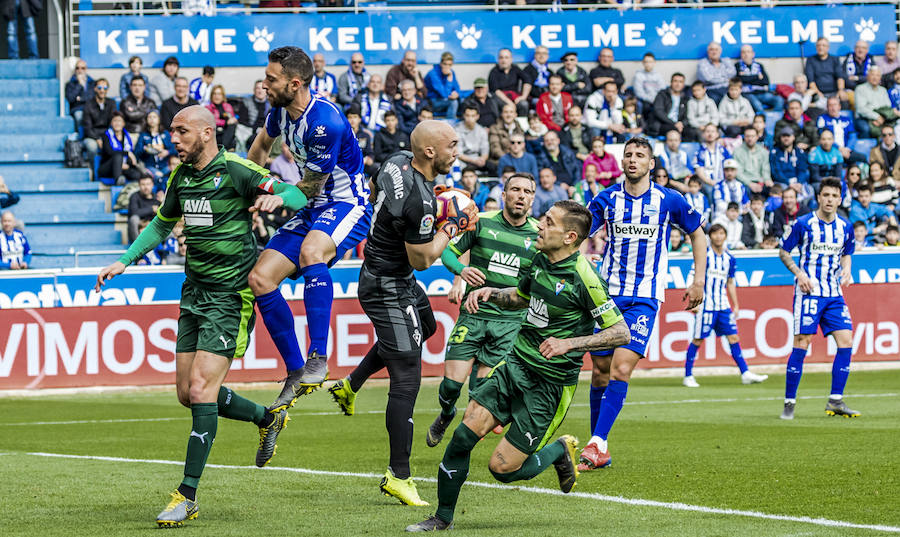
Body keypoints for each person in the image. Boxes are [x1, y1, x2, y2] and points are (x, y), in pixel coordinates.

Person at [95, 105, 304, 527]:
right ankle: (268, 418)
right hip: (194, 293)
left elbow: (299, 194)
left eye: (181, 131)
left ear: (207, 133)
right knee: (187, 395)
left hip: (230, 296)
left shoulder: (237, 170)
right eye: (172, 131)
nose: (173, 138)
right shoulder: (181, 177)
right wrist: (124, 261)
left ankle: (186, 494)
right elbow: (160, 224)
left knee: (201, 389)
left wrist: (277, 195)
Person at [405, 200, 629, 533]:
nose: (540, 224)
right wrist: (492, 293)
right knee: (463, 436)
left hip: (550, 386)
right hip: (515, 365)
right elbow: (523, 296)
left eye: (549, 222)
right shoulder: (539, 258)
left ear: (569, 236)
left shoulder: (585, 277)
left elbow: (620, 331)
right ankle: (442, 517)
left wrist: (569, 343)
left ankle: (556, 452)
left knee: (502, 469)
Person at [328, 120, 477, 507]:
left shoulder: (396, 160)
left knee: (425, 327)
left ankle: (350, 385)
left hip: (391, 276)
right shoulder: (421, 202)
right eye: (452, 145)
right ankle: (399, 475)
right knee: (407, 374)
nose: (456, 151)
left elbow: (380, 190)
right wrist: (454, 225)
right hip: (388, 285)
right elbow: (424, 257)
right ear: (429, 152)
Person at [247, 47, 372, 411]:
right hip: (312, 205)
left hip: (346, 203)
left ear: (295, 83)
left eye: (271, 79)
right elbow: (258, 150)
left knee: (311, 252)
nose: (264, 84)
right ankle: (295, 370)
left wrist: (276, 195)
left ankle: (319, 356)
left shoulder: (325, 122)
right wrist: (252, 186)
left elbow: (308, 189)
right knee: (260, 279)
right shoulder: (279, 113)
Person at [581, 137, 707, 471]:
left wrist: (698, 280)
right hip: (606, 296)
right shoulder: (607, 199)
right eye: (628, 155)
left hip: (645, 297)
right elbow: (580, 235)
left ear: (651, 163)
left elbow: (698, 233)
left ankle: (596, 443)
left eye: (640, 155)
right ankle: (600, 446)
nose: (632, 159)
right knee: (599, 372)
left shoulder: (669, 200)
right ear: (622, 163)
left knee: (622, 367)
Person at [427, 173, 539, 446]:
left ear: (533, 199)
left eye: (526, 191)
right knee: (451, 386)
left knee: (482, 391)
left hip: (511, 323)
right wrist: (462, 271)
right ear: (504, 195)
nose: (520, 195)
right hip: (474, 314)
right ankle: (445, 413)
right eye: (515, 189)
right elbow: (447, 252)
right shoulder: (482, 223)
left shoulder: (539, 235)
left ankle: (459, 444)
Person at [778, 178, 859, 420]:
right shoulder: (804, 224)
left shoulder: (845, 226)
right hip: (809, 293)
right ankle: (789, 403)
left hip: (834, 294)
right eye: (826, 195)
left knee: (846, 341)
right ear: (819, 198)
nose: (830, 200)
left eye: (834, 196)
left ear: (840, 199)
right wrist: (799, 273)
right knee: (802, 342)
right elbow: (783, 251)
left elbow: (847, 253)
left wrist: (847, 269)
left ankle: (835, 400)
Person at [683, 223, 768, 387]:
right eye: (715, 233)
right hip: (706, 304)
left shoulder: (730, 259)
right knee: (698, 339)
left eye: (721, 233)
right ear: (710, 237)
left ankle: (745, 373)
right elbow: (693, 275)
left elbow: (730, 283)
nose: (718, 237)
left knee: (734, 337)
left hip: (722, 304)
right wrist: (693, 301)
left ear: (725, 236)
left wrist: (735, 304)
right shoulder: (705, 256)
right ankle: (688, 375)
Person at [816, 96, 865, 166]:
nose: (833, 108)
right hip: (830, 150)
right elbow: (823, 138)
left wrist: (847, 149)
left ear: (839, 106)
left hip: (847, 150)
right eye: (830, 105)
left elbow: (853, 136)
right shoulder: (822, 119)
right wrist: (839, 149)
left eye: (835, 105)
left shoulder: (847, 119)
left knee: (863, 158)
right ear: (827, 107)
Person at [736, 45, 783, 114]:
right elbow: (741, 80)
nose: (746, 54)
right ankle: (761, 123)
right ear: (741, 55)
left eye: (748, 52)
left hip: (762, 93)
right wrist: (757, 77)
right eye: (743, 52)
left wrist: (748, 78)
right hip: (748, 94)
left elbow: (766, 81)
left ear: (753, 54)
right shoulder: (737, 66)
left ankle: (774, 120)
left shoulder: (759, 65)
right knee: (758, 106)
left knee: (779, 100)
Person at [770, 127, 812, 205]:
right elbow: (776, 172)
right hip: (782, 182)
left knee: (810, 191)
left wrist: (799, 183)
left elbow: (802, 169)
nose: (786, 138)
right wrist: (789, 183)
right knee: (781, 191)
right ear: (780, 138)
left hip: (798, 182)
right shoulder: (775, 152)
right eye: (784, 136)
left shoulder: (799, 152)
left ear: (793, 137)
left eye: (788, 136)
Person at [136, 110, 176, 187]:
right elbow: (137, 152)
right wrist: (145, 149)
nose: (152, 119)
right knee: (159, 177)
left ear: (159, 119)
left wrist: (167, 152)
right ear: (146, 120)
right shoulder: (143, 135)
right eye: (149, 117)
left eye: (154, 117)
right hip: (150, 166)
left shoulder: (165, 134)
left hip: (165, 166)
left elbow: (175, 149)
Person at [99, 112, 142, 184]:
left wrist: (128, 165)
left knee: (137, 175)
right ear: (111, 123)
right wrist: (127, 153)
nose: (117, 123)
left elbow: (132, 158)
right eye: (115, 121)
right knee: (118, 156)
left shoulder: (127, 136)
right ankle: (118, 180)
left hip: (124, 167)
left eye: (119, 121)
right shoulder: (106, 135)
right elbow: (109, 152)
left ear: (123, 123)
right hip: (107, 167)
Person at [805, 37, 849, 106]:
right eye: (818, 45)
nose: (821, 48)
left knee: (844, 100)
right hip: (818, 92)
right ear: (816, 47)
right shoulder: (810, 60)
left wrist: (841, 90)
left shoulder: (835, 59)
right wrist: (819, 94)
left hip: (834, 92)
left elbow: (840, 77)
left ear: (828, 47)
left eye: (823, 45)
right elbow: (811, 81)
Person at [488, 48, 532, 116]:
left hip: (515, 98)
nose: (504, 60)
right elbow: (496, 91)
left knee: (524, 104)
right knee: (493, 101)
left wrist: (523, 96)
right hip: (501, 99)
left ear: (511, 59)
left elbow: (528, 80)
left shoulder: (515, 69)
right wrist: (510, 104)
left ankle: (522, 124)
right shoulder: (494, 72)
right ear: (498, 59)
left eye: (506, 57)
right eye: (501, 58)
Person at [82, 77, 115, 165]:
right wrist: (97, 139)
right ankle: (92, 169)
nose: (102, 91)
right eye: (99, 88)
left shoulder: (111, 103)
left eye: (105, 88)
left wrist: (104, 138)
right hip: (92, 136)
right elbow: (87, 127)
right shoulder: (88, 104)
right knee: (92, 147)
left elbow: (113, 123)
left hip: (106, 135)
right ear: (95, 89)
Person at [854, 66, 892, 140]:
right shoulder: (860, 89)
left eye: (877, 75)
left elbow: (888, 106)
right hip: (864, 118)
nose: (875, 77)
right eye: (872, 75)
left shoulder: (883, 90)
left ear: (880, 78)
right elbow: (861, 109)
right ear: (867, 76)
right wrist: (876, 117)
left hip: (882, 118)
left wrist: (882, 119)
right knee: (866, 128)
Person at [647, 73, 688, 138]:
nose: (678, 84)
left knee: (692, 132)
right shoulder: (662, 94)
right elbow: (658, 111)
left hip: (678, 125)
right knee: (675, 130)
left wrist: (681, 123)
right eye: (675, 81)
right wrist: (674, 123)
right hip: (662, 124)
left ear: (683, 85)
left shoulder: (685, 98)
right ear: (671, 82)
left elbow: (687, 116)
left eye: (680, 82)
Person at [733, 126, 771, 194]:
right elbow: (738, 173)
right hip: (745, 182)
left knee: (773, 190)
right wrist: (750, 184)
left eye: (752, 136)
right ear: (744, 137)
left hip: (760, 182)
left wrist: (767, 180)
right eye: (747, 136)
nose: (750, 139)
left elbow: (765, 169)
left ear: (757, 137)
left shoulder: (763, 151)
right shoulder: (737, 152)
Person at [693, 124, 731, 191]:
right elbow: (700, 172)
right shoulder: (700, 152)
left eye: (713, 131)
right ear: (703, 134)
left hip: (723, 181)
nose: (710, 134)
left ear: (717, 134)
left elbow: (729, 167)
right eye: (707, 131)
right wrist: (712, 182)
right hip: (707, 183)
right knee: (709, 189)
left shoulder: (723, 150)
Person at [236, 80, 272, 151]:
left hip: (266, 131)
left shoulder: (271, 103)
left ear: (266, 91)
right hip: (249, 131)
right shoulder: (246, 102)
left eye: (262, 88)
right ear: (254, 90)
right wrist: (255, 129)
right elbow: (242, 121)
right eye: (257, 88)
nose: (260, 91)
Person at [423, 52, 460, 120]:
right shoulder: (433, 73)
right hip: (432, 101)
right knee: (453, 102)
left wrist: (456, 94)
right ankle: (450, 125)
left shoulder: (451, 72)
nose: (447, 67)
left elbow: (457, 88)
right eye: (445, 64)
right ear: (441, 63)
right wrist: (449, 79)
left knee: (461, 100)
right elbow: (444, 94)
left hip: (444, 100)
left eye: (449, 65)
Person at [455, 105, 491, 174]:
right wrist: (474, 161)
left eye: (473, 116)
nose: (470, 118)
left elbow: (485, 150)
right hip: (463, 161)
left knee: (492, 166)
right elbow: (459, 154)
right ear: (464, 116)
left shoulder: (481, 130)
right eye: (467, 115)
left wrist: (482, 159)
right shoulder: (457, 130)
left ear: (477, 116)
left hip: (478, 159)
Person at [489, 103, 525, 167]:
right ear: (502, 114)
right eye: (506, 112)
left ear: (515, 115)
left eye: (511, 112)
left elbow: (522, 148)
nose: (508, 115)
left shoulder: (520, 129)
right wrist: (508, 160)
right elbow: (495, 149)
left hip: (517, 160)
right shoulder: (494, 128)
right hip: (501, 160)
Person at [206, 85, 238, 151]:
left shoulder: (228, 106)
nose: (216, 96)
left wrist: (233, 119)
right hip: (215, 132)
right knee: (231, 141)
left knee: (232, 126)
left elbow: (231, 118)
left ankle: (223, 147)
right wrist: (225, 122)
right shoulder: (208, 108)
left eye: (219, 94)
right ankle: (227, 147)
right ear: (211, 96)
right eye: (214, 94)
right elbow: (211, 121)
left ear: (223, 96)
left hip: (226, 132)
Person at [127, 175, 159, 242]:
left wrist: (162, 202)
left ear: (152, 185)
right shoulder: (134, 196)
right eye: (143, 184)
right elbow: (134, 212)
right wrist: (151, 209)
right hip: (138, 230)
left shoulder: (157, 198)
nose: (146, 187)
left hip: (153, 229)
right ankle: (137, 246)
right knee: (134, 219)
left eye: (148, 184)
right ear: (139, 185)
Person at [65, 59, 94, 124]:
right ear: (75, 70)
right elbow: (71, 98)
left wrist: (80, 98)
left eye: (82, 68)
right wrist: (79, 85)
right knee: (80, 117)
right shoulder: (70, 84)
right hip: (78, 109)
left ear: (86, 69)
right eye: (77, 68)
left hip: (91, 108)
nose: (80, 70)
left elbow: (92, 97)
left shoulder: (92, 82)